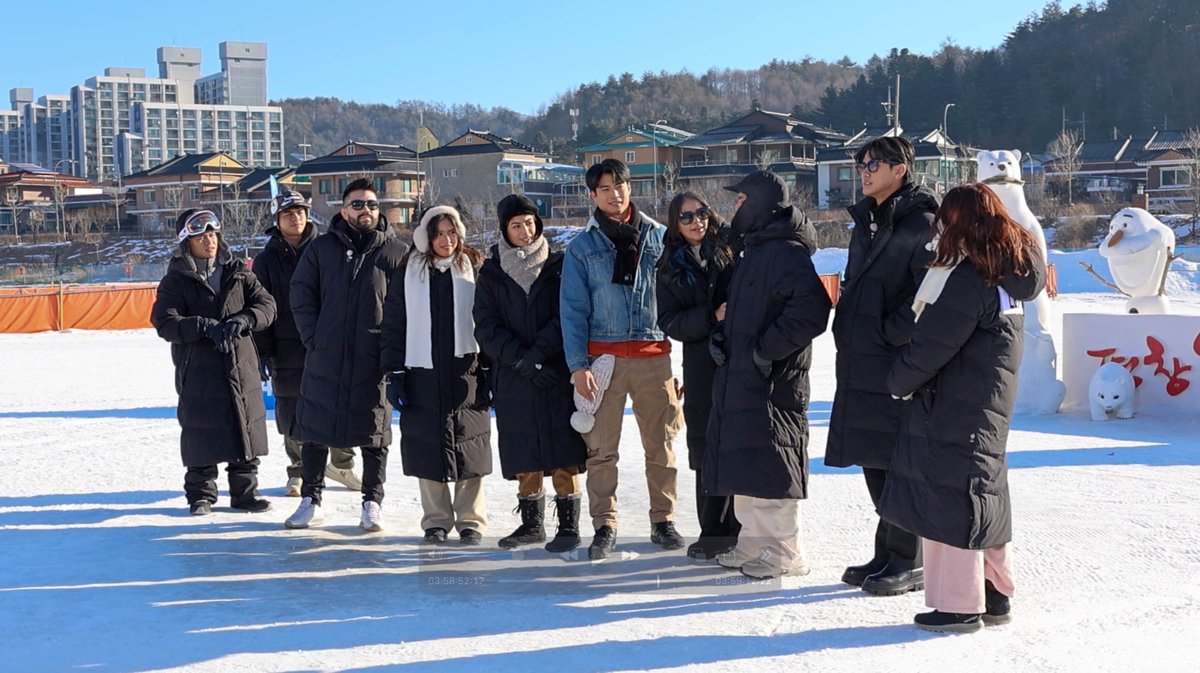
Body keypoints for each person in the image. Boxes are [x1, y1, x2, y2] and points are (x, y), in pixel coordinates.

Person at [881, 183, 1045, 633]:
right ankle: (996, 593)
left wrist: (897, 382)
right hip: (987, 404)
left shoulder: (970, 278)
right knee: (985, 494)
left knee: (950, 501)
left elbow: (932, 345)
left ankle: (958, 604)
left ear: (959, 222)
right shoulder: (1008, 275)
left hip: (955, 404)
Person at [824, 136, 938, 596]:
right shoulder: (866, 221)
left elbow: (926, 297)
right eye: (861, 164)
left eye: (873, 164)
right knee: (874, 459)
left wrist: (887, 333)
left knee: (900, 461)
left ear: (901, 169)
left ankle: (911, 559)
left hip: (896, 362)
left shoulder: (922, 221)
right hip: (862, 360)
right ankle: (887, 550)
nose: (864, 171)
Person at [705, 171, 831, 579]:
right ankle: (753, 544)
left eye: (741, 199)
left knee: (773, 463)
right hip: (743, 374)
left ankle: (782, 553)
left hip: (773, 380)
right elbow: (745, 309)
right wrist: (722, 338)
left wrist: (765, 351)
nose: (735, 207)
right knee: (748, 463)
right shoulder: (755, 250)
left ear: (760, 203)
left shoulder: (786, 252)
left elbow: (811, 311)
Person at [560, 158, 685, 560]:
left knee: (661, 445)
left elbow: (681, 294)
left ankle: (663, 520)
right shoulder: (582, 248)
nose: (615, 194)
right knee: (601, 450)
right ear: (593, 195)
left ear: (631, 188)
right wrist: (578, 366)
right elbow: (573, 310)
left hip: (654, 357)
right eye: (606, 188)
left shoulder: (661, 238)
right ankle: (604, 524)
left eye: (621, 185)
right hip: (604, 361)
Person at [284, 178, 408, 531]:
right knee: (314, 429)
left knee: (375, 433)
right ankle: (311, 499)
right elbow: (301, 294)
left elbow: (405, 308)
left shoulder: (395, 252)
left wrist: (392, 349)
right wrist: (315, 337)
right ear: (343, 209)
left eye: (370, 204)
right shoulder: (321, 249)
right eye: (357, 204)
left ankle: (372, 502)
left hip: (374, 358)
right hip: (326, 355)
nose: (364, 210)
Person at [474, 194, 588, 552]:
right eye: (516, 225)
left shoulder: (559, 265)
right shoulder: (492, 273)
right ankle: (531, 525)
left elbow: (567, 314)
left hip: (554, 370)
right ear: (505, 230)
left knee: (563, 448)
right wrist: (521, 360)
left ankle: (568, 526)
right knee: (524, 448)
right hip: (514, 375)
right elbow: (486, 326)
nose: (525, 231)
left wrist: (539, 356)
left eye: (530, 223)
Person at [151, 208, 277, 515]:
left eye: (212, 234)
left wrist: (245, 319)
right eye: (201, 235)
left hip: (240, 363)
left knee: (243, 423)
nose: (209, 240)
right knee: (200, 428)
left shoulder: (239, 272)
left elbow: (267, 305)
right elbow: (164, 321)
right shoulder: (176, 280)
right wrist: (202, 326)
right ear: (186, 241)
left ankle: (245, 493)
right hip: (199, 368)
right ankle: (201, 495)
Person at [382, 206, 492, 545]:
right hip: (421, 373)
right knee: (427, 447)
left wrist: (491, 368)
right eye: (439, 234)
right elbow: (394, 322)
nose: (447, 240)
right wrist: (394, 371)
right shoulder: (409, 271)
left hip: (466, 371)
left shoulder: (473, 267)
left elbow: (488, 320)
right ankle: (436, 520)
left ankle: (471, 520)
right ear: (427, 238)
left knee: (470, 446)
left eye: (452, 232)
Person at [252, 190, 361, 498]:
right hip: (287, 346)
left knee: (337, 403)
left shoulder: (327, 248)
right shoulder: (266, 260)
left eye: (300, 211)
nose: (295, 217)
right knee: (292, 409)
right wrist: (263, 351)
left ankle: (343, 464)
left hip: (328, 342)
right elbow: (262, 306)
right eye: (288, 213)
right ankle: (298, 470)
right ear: (277, 219)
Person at [655, 191, 740, 560]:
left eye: (702, 213)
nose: (697, 222)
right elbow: (668, 320)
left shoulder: (729, 249)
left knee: (736, 441)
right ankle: (712, 530)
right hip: (701, 361)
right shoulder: (669, 266)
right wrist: (710, 317)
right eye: (686, 217)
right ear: (675, 223)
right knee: (706, 444)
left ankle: (740, 526)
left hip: (738, 357)